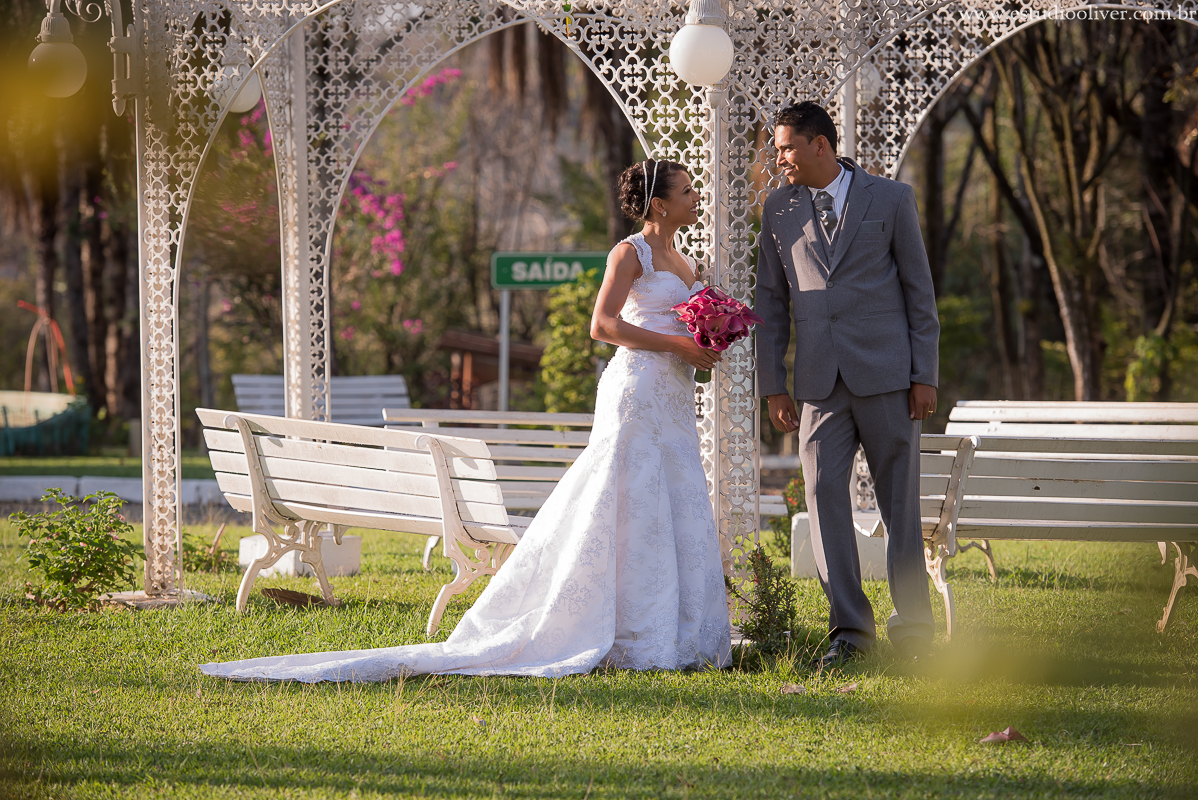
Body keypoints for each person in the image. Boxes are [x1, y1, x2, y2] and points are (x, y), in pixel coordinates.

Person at [200, 160, 731, 682]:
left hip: (675, 396)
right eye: (686, 191)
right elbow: (602, 325)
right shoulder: (629, 254)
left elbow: (683, 321)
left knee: (673, 499)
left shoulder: (686, 261)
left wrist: (706, 342)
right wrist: (675, 345)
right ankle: (624, 632)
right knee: (628, 498)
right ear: (659, 203)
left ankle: (676, 631)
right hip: (637, 390)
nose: (694, 198)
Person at [754, 101, 940, 669]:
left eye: (786, 147)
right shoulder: (779, 208)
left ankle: (912, 632)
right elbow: (770, 298)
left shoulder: (891, 198)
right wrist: (773, 384)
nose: (778, 158)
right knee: (823, 497)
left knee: (900, 508)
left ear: (820, 145)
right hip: (818, 384)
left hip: (888, 377)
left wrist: (923, 375)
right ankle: (851, 634)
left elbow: (918, 292)